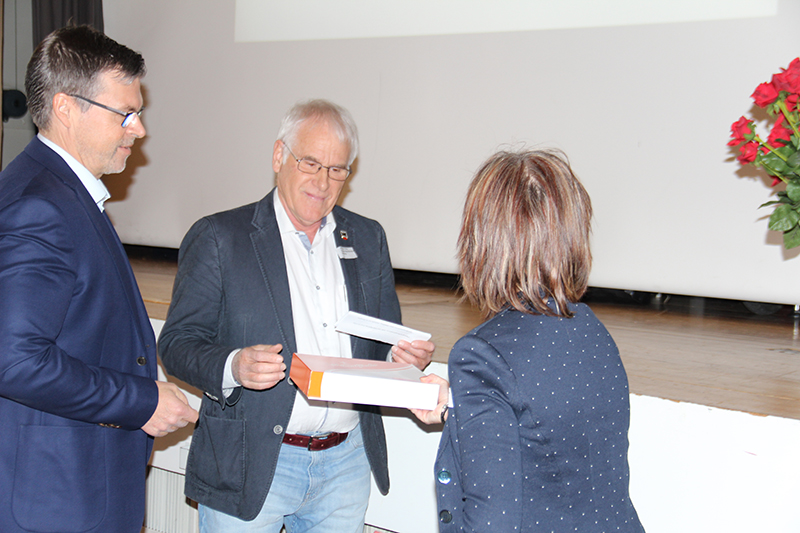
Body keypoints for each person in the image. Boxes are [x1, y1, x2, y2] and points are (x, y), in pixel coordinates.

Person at [158, 99, 435, 532]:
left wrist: (401, 362)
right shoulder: (220, 237)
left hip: (344, 463)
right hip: (251, 461)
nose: (323, 182)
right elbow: (177, 344)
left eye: (337, 169)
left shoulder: (367, 237)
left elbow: (382, 344)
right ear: (278, 156)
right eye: (310, 163)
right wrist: (234, 365)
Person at [0, 25, 198, 533]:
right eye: (125, 114)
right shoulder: (40, 207)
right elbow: (15, 360)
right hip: (59, 501)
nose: (140, 129)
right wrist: (142, 400)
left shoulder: (56, 191)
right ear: (66, 108)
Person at [412, 149, 645, 532]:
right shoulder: (592, 330)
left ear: (482, 240)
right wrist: (458, 407)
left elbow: (493, 521)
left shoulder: (482, 355)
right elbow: (544, 442)